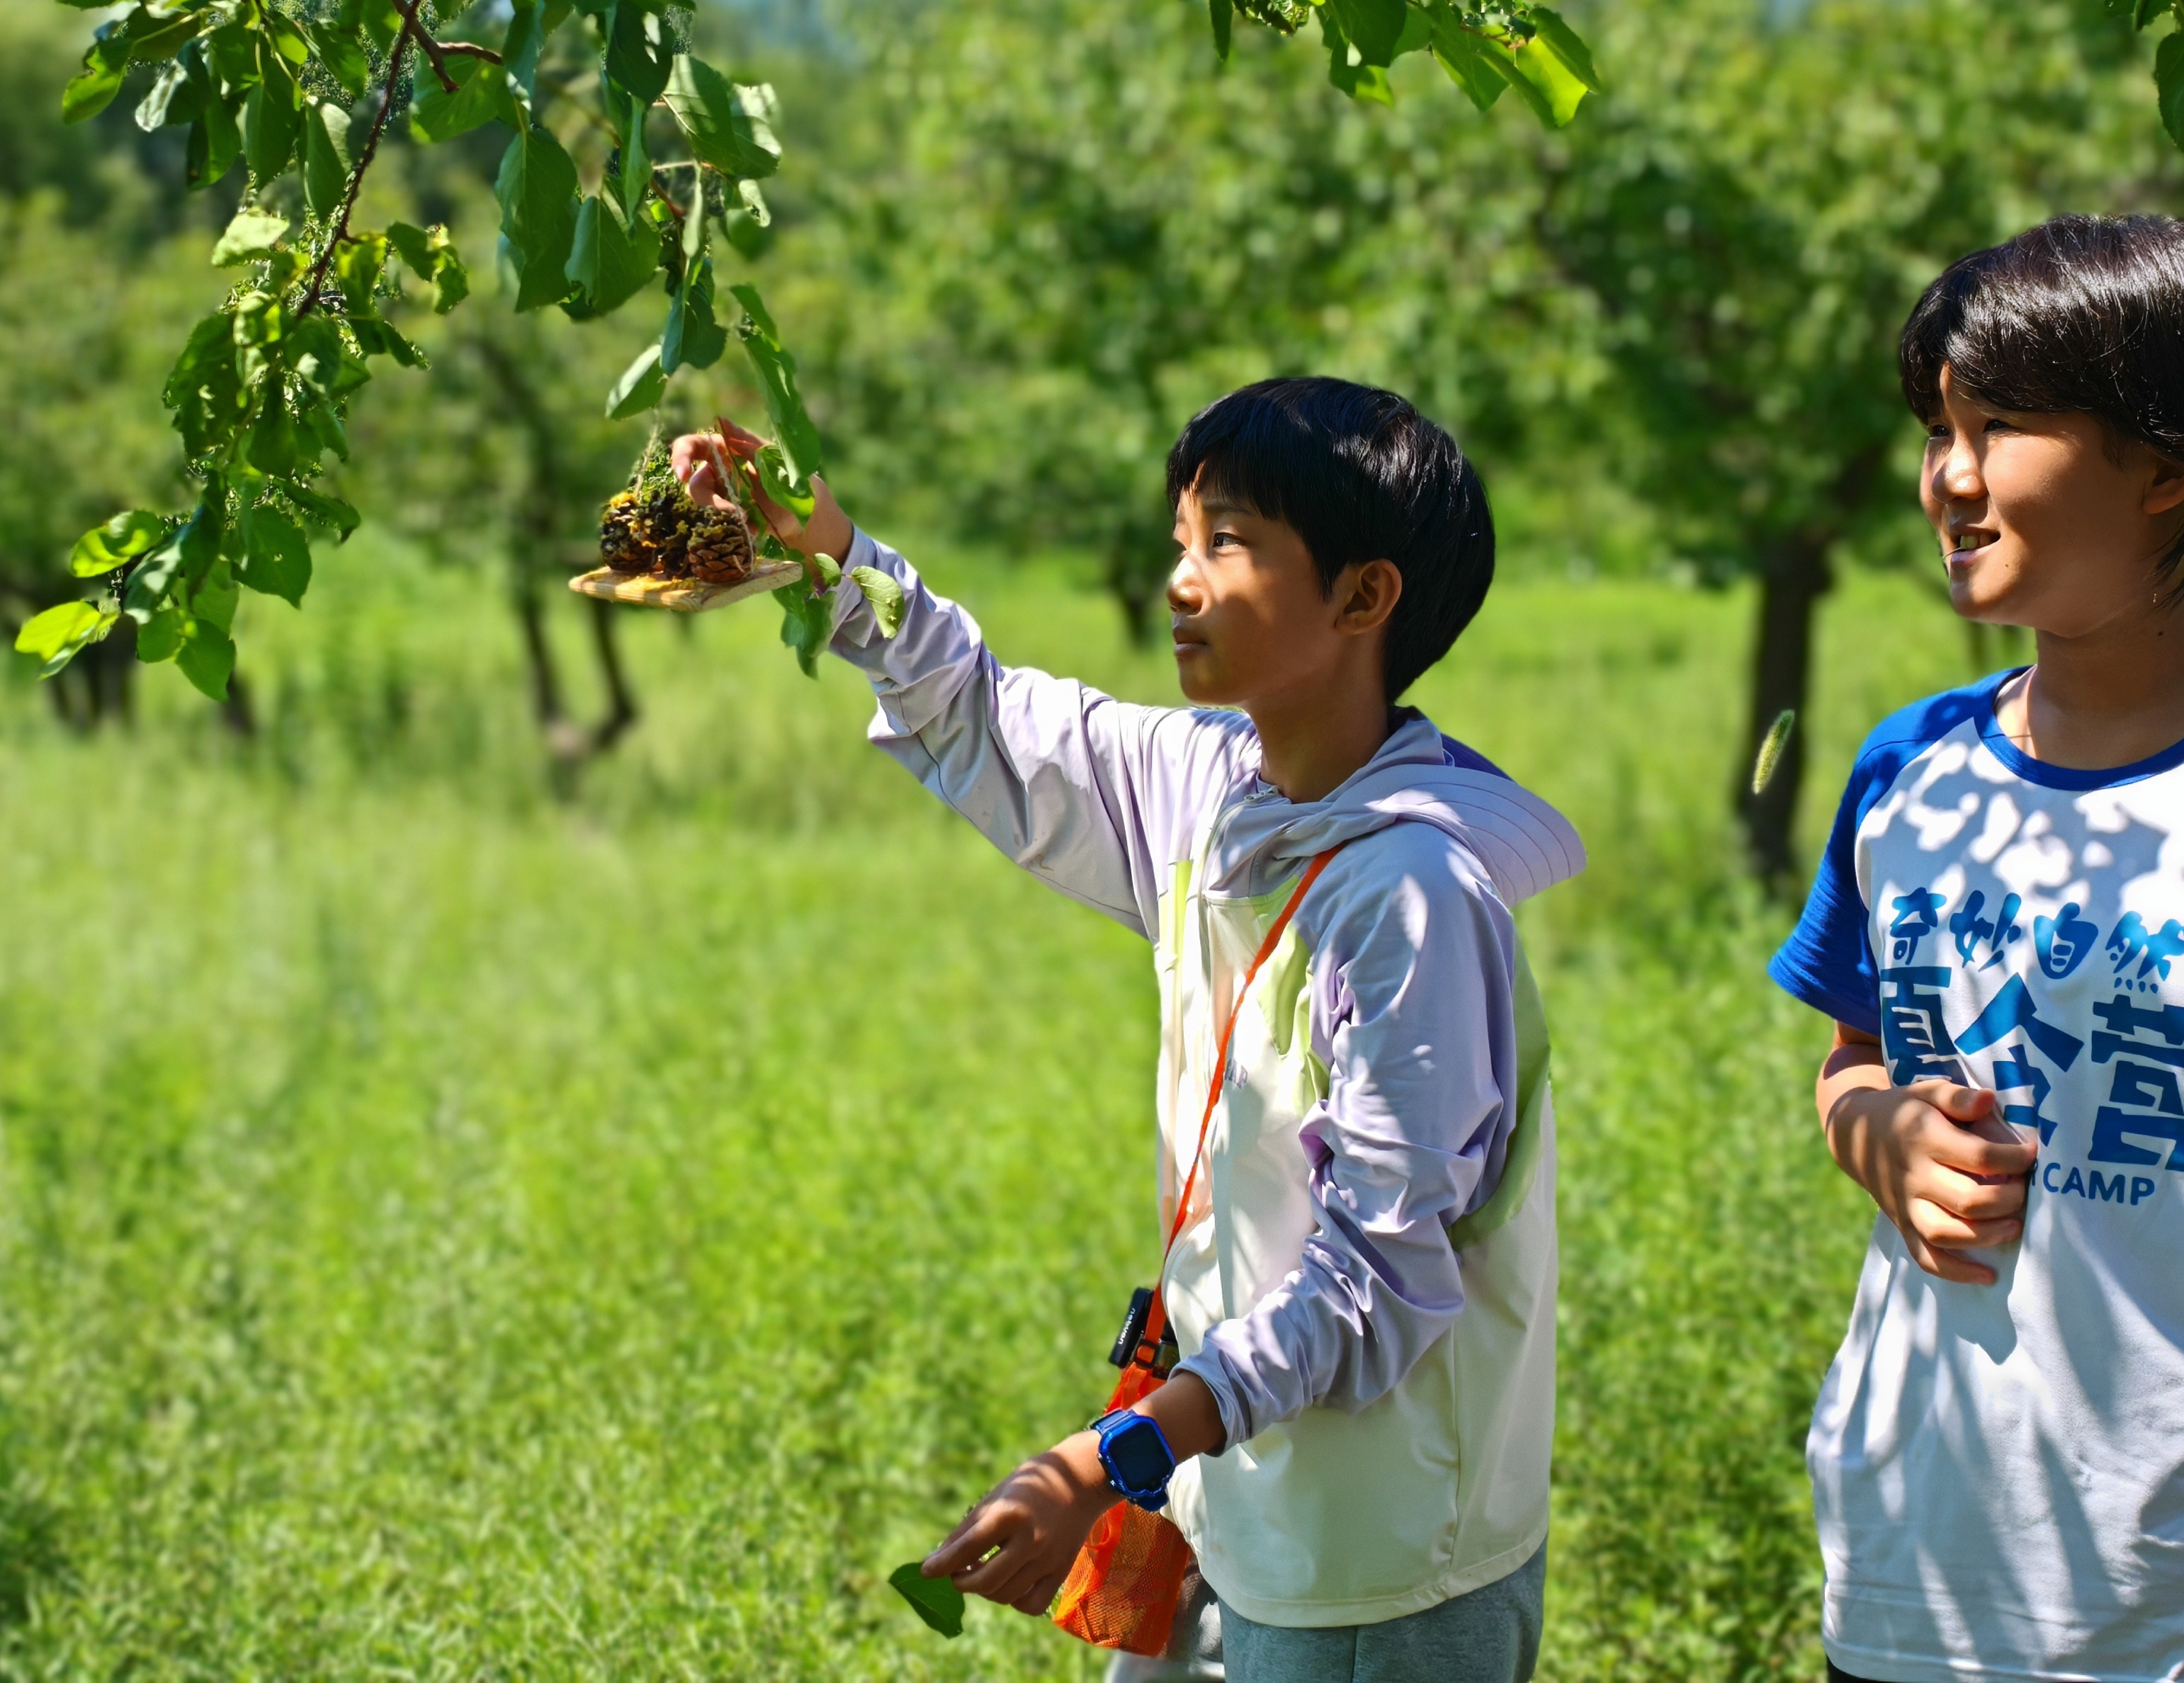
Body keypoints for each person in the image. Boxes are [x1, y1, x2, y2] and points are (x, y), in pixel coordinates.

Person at [677, 377, 1584, 1683]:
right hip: (1229, 1492)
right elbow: (984, 712)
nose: (1182, 581)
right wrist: (823, 550)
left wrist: (1112, 1459)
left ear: (1363, 598)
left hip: (1380, 1572)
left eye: (1230, 542)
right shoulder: (1224, 788)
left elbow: (1379, 1277)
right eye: (1181, 539)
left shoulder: (1413, 898)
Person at [1768, 213, 2184, 1683]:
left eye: (2001, 425)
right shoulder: (1909, 773)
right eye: (1937, 428)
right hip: (1911, 1585)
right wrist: (1874, 1132)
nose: (1945, 477)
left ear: (2164, 473)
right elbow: (1850, 1060)